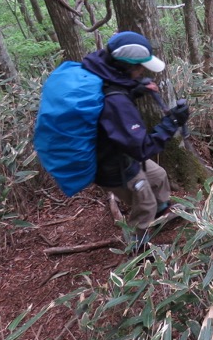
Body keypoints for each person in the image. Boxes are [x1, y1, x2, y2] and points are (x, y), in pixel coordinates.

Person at [81, 31, 190, 251]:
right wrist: (173, 122)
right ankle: (138, 248)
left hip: (120, 152)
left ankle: (161, 213)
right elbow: (143, 148)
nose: (143, 71)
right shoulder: (116, 102)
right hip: (113, 167)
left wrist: (135, 90)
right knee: (145, 204)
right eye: (140, 66)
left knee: (158, 176)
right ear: (125, 66)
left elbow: (109, 102)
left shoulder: (102, 73)